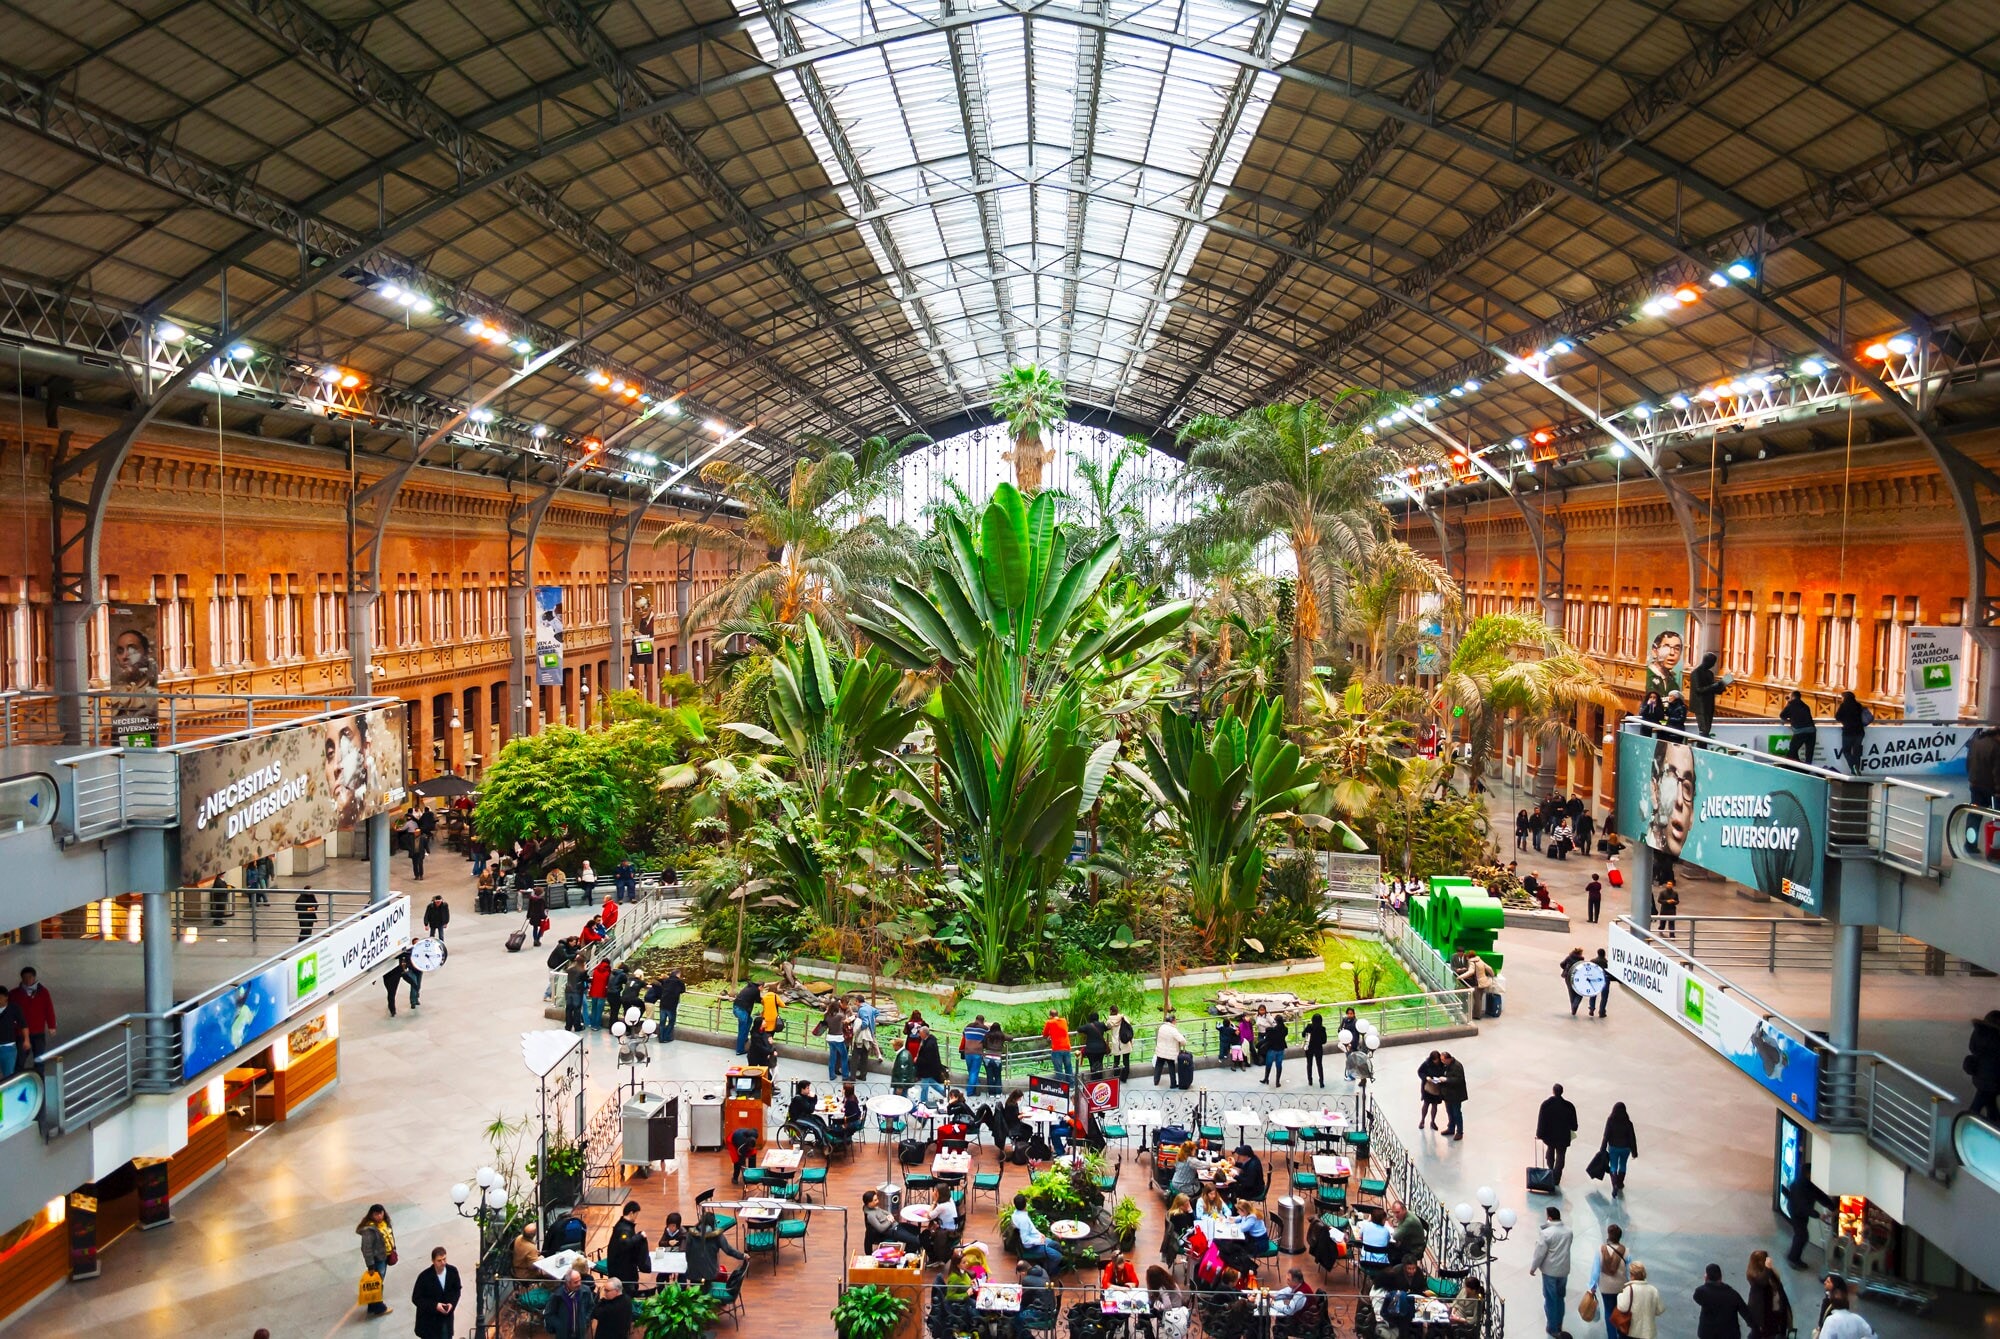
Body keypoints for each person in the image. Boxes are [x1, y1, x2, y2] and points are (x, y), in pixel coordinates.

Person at [1527, 1206, 1573, 1338]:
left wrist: (1533, 1267)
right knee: (1560, 1298)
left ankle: (1552, 1327)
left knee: (1550, 1299)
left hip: (1550, 1271)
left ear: (1550, 1218)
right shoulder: (1568, 1231)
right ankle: (1559, 1324)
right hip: (1563, 1270)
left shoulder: (1547, 1233)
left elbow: (1540, 1253)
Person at [1586, 1224, 1629, 1339]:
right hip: (1621, 1287)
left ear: (1609, 1236)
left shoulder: (1601, 1250)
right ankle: (1622, 1334)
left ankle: (1611, 1336)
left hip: (1606, 1287)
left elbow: (1596, 1270)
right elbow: (1629, 1271)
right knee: (1621, 1310)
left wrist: (1592, 1286)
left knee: (1609, 1310)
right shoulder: (1626, 1251)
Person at [411, 1246, 462, 1339]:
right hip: (429, 1322)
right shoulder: (424, 1277)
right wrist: (435, 1306)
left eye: (444, 1259)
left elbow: (457, 1290)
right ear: (433, 1261)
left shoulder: (452, 1271)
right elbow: (416, 1298)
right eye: (439, 1260)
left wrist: (452, 1304)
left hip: (446, 1320)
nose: (443, 1263)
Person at [1694, 1261, 1752, 1339]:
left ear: (1707, 1277)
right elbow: (1745, 1312)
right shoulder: (1733, 1294)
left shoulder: (1701, 1292)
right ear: (1721, 1277)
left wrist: (1706, 1284)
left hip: (1707, 1333)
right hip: (1729, 1334)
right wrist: (1754, 1326)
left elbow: (1697, 1298)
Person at [1781, 1169, 1826, 1268]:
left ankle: (1793, 1257)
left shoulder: (1806, 1184)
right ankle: (1793, 1258)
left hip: (1798, 1211)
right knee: (1802, 1236)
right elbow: (1804, 1206)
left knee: (1801, 1235)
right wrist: (1818, 1215)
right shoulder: (1803, 1187)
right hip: (1796, 1213)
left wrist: (1832, 1207)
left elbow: (1820, 1196)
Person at [358, 1204, 396, 1317]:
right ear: (371, 1215)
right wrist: (370, 1265)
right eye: (376, 1214)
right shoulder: (369, 1230)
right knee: (377, 1283)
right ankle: (378, 1307)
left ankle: (372, 1306)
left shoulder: (385, 1224)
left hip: (385, 1256)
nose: (379, 1216)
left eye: (381, 1213)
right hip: (377, 1260)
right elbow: (367, 1249)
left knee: (377, 1282)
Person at [1536, 1084, 1578, 1183]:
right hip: (1563, 1136)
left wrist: (1539, 1133)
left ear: (1553, 1091)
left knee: (1550, 1149)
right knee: (1561, 1155)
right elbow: (1574, 1126)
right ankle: (1557, 1176)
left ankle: (1550, 1170)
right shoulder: (1569, 1106)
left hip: (1550, 1136)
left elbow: (1541, 1120)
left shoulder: (1546, 1105)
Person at [1010, 1194, 1064, 1272]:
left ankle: (1054, 1263)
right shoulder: (1023, 1220)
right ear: (1025, 1204)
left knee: (1056, 1245)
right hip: (1032, 1247)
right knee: (1057, 1257)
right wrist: (1039, 1241)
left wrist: (1039, 1233)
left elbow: (1030, 1228)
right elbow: (1025, 1241)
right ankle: (1048, 1271)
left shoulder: (1016, 1214)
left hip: (1036, 1239)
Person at [1744, 1250, 1792, 1339]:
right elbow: (1762, 1281)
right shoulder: (1755, 1277)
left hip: (1775, 1314)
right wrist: (1768, 1269)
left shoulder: (1770, 1275)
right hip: (1764, 1318)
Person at [1964, 1009, 2000, 1121]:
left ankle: (1994, 1124)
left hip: (1980, 1077)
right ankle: (1967, 1125)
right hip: (1993, 1081)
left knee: (1990, 1104)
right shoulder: (1996, 1037)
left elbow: (1972, 1048)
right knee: (1976, 1107)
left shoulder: (1979, 1032)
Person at [1616, 1261, 1666, 1339]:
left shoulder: (1629, 1289)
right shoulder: (1653, 1290)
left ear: (1632, 1275)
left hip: (1631, 1331)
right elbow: (1660, 1310)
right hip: (1648, 1332)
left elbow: (1622, 1307)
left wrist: (1620, 1295)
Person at [1269, 1268, 1324, 1338]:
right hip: (1302, 1317)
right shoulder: (1299, 1285)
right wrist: (1275, 1296)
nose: (1286, 1281)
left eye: (1288, 1280)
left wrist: (1272, 1304)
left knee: (1278, 1327)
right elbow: (1287, 1291)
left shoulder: (1300, 1294)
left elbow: (1289, 1310)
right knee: (1279, 1318)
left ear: (1295, 1281)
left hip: (1303, 1324)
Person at [541, 1268, 595, 1339]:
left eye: (579, 1280)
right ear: (568, 1283)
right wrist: (559, 1325)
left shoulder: (586, 1291)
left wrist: (585, 1319)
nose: (579, 1284)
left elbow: (591, 1306)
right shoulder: (557, 1295)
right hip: (563, 1334)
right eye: (575, 1282)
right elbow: (548, 1314)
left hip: (580, 1333)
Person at [1687, 651, 1731, 736]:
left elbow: (1711, 688)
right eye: (1712, 663)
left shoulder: (1710, 673)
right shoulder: (1696, 673)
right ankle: (1701, 746)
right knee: (1704, 730)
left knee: (1708, 728)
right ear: (1707, 661)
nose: (1713, 665)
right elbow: (1698, 690)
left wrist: (1721, 687)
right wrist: (1715, 685)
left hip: (1709, 704)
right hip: (1700, 705)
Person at [605, 1200, 648, 1284]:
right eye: (636, 1214)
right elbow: (626, 1243)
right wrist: (640, 1236)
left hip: (620, 1266)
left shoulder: (621, 1224)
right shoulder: (624, 1229)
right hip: (623, 1269)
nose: (636, 1217)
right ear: (631, 1213)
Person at [1600, 1102, 1637, 1197]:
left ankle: (1614, 1184)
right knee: (1623, 1165)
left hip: (1613, 1148)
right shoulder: (1628, 1123)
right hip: (1625, 1148)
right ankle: (1620, 1183)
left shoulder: (1610, 1121)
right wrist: (1634, 1152)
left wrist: (1602, 1149)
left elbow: (1606, 1136)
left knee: (1613, 1166)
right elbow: (1632, 1138)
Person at [1834, 691, 1871, 774]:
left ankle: (1853, 766)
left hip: (1848, 732)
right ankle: (1857, 769)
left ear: (1845, 698)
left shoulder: (1844, 706)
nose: (1841, 699)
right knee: (1857, 752)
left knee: (1846, 751)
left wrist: (1845, 721)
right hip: (1859, 732)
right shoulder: (1858, 706)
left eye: (1842, 697)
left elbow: (1837, 717)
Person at [913, 1025, 948, 1105]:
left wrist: (917, 1060)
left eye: (920, 1033)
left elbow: (927, 1059)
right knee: (931, 1082)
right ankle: (944, 1093)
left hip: (927, 1069)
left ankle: (923, 1102)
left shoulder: (929, 1045)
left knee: (924, 1086)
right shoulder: (930, 1041)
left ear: (924, 1034)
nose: (919, 1035)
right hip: (931, 1068)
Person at [1780, 690, 1818, 764]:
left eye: (1789, 697)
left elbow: (1782, 715)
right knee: (1809, 753)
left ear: (1793, 697)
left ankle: (1798, 766)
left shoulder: (1790, 705)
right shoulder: (1805, 705)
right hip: (1812, 731)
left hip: (1800, 731)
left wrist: (1787, 703)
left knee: (1792, 750)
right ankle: (1807, 769)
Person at [1456, 952, 1496, 1020]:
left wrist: (1460, 977)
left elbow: (1471, 972)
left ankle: (1477, 1015)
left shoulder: (1472, 962)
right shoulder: (1479, 960)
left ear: (1468, 957)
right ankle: (1477, 1014)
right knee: (1479, 999)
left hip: (1477, 983)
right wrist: (1492, 975)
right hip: (1484, 982)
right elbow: (1489, 968)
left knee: (1477, 1000)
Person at [1437, 1051, 1467, 1139]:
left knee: (1457, 1113)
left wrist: (1446, 1080)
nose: (1442, 1062)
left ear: (1448, 1059)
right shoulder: (1446, 1065)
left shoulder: (1457, 1066)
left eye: (1443, 1060)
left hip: (1456, 1095)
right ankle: (1451, 1128)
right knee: (1449, 1112)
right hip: (1448, 1094)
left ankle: (1459, 1132)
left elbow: (1459, 1080)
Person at [821, 995, 851, 1081]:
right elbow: (846, 1021)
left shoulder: (827, 1015)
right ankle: (845, 1075)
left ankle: (832, 1075)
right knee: (844, 1057)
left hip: (830, 1037)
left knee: (832, 1057)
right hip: (838, 1038)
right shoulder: (840, 1016)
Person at [1154, 1012, 1188, 1087]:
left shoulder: (1162, 1027)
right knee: (1171, 1067)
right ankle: (1173, 1083)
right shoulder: (1173, 1030)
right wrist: (1183, 1044)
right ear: (1173, 1021)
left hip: (1161, 1050)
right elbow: (1182, 1040)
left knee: (1158, 1065)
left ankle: (1156, 1081)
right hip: (1170, 1052)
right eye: (1176, 1020)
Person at [650, 970, 684, 1044]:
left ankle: (661, 1037)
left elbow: (655, 982)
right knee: (671, 1021)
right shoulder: (679, 982)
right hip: (672, 1004)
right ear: (678, 975)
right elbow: (683, 990)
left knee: (662, 1022)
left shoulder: (666, 981)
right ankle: (667, 1036)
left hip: (663, 1003)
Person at [1354, 1206, 1394, 1271]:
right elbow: (1388, 1241)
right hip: (1382, 1264)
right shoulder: (1386, 1231)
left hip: (1365, 1261)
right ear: (1383, 1220)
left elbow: (1360, 1236)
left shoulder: (1366, 1226)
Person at [1969, 727, 2000, 809]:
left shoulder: (1976, 742)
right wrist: (1998, 790)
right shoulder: (1996, 747)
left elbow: (1969, 761)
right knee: (1997, 815)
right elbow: (1997, 771)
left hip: (1975, 784)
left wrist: (1971, 779)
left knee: (1975, 813)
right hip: (1990, 788)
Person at [1416, 1050, 1447, 1129]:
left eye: (1437, 1059)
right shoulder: (1427, 1064)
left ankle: (1433, 1121)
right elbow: (1420, 1072)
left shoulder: (1442, 1064)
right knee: (1426, 1104)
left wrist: (1441, 1079)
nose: (1436, 1061)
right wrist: (1426, 1077)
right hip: (1428, 1087)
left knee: (1434, 1105)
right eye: (1434, 1060)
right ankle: (1422, 1120)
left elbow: (1445, 1072)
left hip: (1437, 1088)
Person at [959, 1014, 987, 1089]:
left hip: (967, 1052)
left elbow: (964, 1035)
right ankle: (970, 1091)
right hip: (977, 1052)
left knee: (970, 1070)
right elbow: (987, 1038)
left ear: (975, 1019)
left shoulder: (967, 1026)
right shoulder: (984, 1029)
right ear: (983, 1021)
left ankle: (976, 1086)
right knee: (974, 1072)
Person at [1260, 1012, 1288, 1086]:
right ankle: (1277, 1082)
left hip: (1272, 1049)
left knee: (1268, 1064)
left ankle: (1266, 1078)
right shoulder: (1285, 1029)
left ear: (1276, 1021)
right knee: (1279, 1065)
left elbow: (1268, 1039)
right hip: (1281, 1049)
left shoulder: (1272, 1030)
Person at [1043, 1009, 1073, 1079]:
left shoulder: (1049, 1022)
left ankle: (1061, 1086)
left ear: (1050, 1016)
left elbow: (1044, 1034)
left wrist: (1050, 1035)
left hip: (1057, 1048)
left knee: (1058, 1069)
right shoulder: (1064, 1020)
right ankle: (1071, 1085)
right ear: (1057, 1014)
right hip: (1066, 1047)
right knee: (1068, 1067)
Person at [732, 980, 758, 1055]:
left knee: (749, 1020)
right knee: (742, 1029)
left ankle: (745, 1038)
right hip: (741, 1010)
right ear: (761, 987)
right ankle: (739, 1050)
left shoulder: (749, 987)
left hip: (737, 1008)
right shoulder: (756, 990)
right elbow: (758, 999)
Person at [1302, 1012, 1328, 1087]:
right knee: (1319, 1065)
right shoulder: (1322, 1029)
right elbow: (1324, 1041)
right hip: (1318, 1048)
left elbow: (1303, 1034)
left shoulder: (1309, 1027)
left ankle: (1310, 1080)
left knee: (1309, 1064)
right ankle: (1321, 1082)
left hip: (1309, 1047)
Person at [1107, 1007, 1134, 1080]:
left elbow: (1107, 1027)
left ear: (1111, 1011)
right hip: (1125, 1041)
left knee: (1116, 1061)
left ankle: (1116, 1077)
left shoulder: (1109, 1021)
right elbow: (1129, 1028)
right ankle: (1124, 1077)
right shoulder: (1123, 1018)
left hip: (1116, 1043)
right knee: (1126, 1061)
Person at [1081, 1010, 1108, 1079]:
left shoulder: (1088, 1026)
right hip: (1101, 1049)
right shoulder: (1101, 1024)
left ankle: (1094, 1080)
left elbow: (1079, 1029)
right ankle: (1100, 1079)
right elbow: (1107, 1028)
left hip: (1091, 1050)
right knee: (1099, 1063)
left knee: (1092, 1064)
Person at [1561, 948, 1587, 1017]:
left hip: (1568, 976)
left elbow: (1562, 964)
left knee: (1571, 992)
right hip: (1577, 978)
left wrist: (1566, 969)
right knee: (1579, 993)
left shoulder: (1569, 958)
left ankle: (1573, 1008)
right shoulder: (1581, 960)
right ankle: (1575, 1005)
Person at [1591, 949, 1612, 1018]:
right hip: (1605, 981)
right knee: (1604, 997)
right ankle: (1601, 1011)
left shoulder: (1593, 961)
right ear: (1604, 954)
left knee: (1593, 994)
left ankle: (1592, 1008)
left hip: (1594, 980)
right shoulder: (1607, 963)